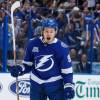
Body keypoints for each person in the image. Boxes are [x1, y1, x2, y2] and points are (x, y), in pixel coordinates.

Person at [10, 18, 75, 100]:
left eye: (51, 31)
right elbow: (28, 64)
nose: (49, 34)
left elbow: (67, 71)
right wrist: (20, 69)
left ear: (56, 32)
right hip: (36, 84)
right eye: (46, 31)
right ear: (42, 32)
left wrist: (69, 86)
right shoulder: (33, 43)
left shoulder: (62, 48)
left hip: (55, 85)